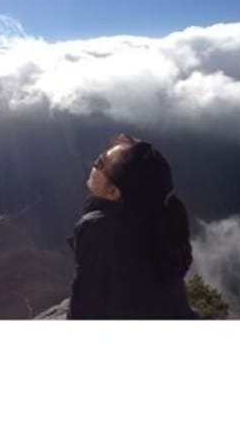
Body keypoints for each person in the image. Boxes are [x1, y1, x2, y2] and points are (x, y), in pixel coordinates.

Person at [67, 133, 196, 319]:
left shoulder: (98, 229)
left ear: (113, 192)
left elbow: (84, 308)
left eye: (100, 162)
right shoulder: (158, 221)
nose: (94, 164)